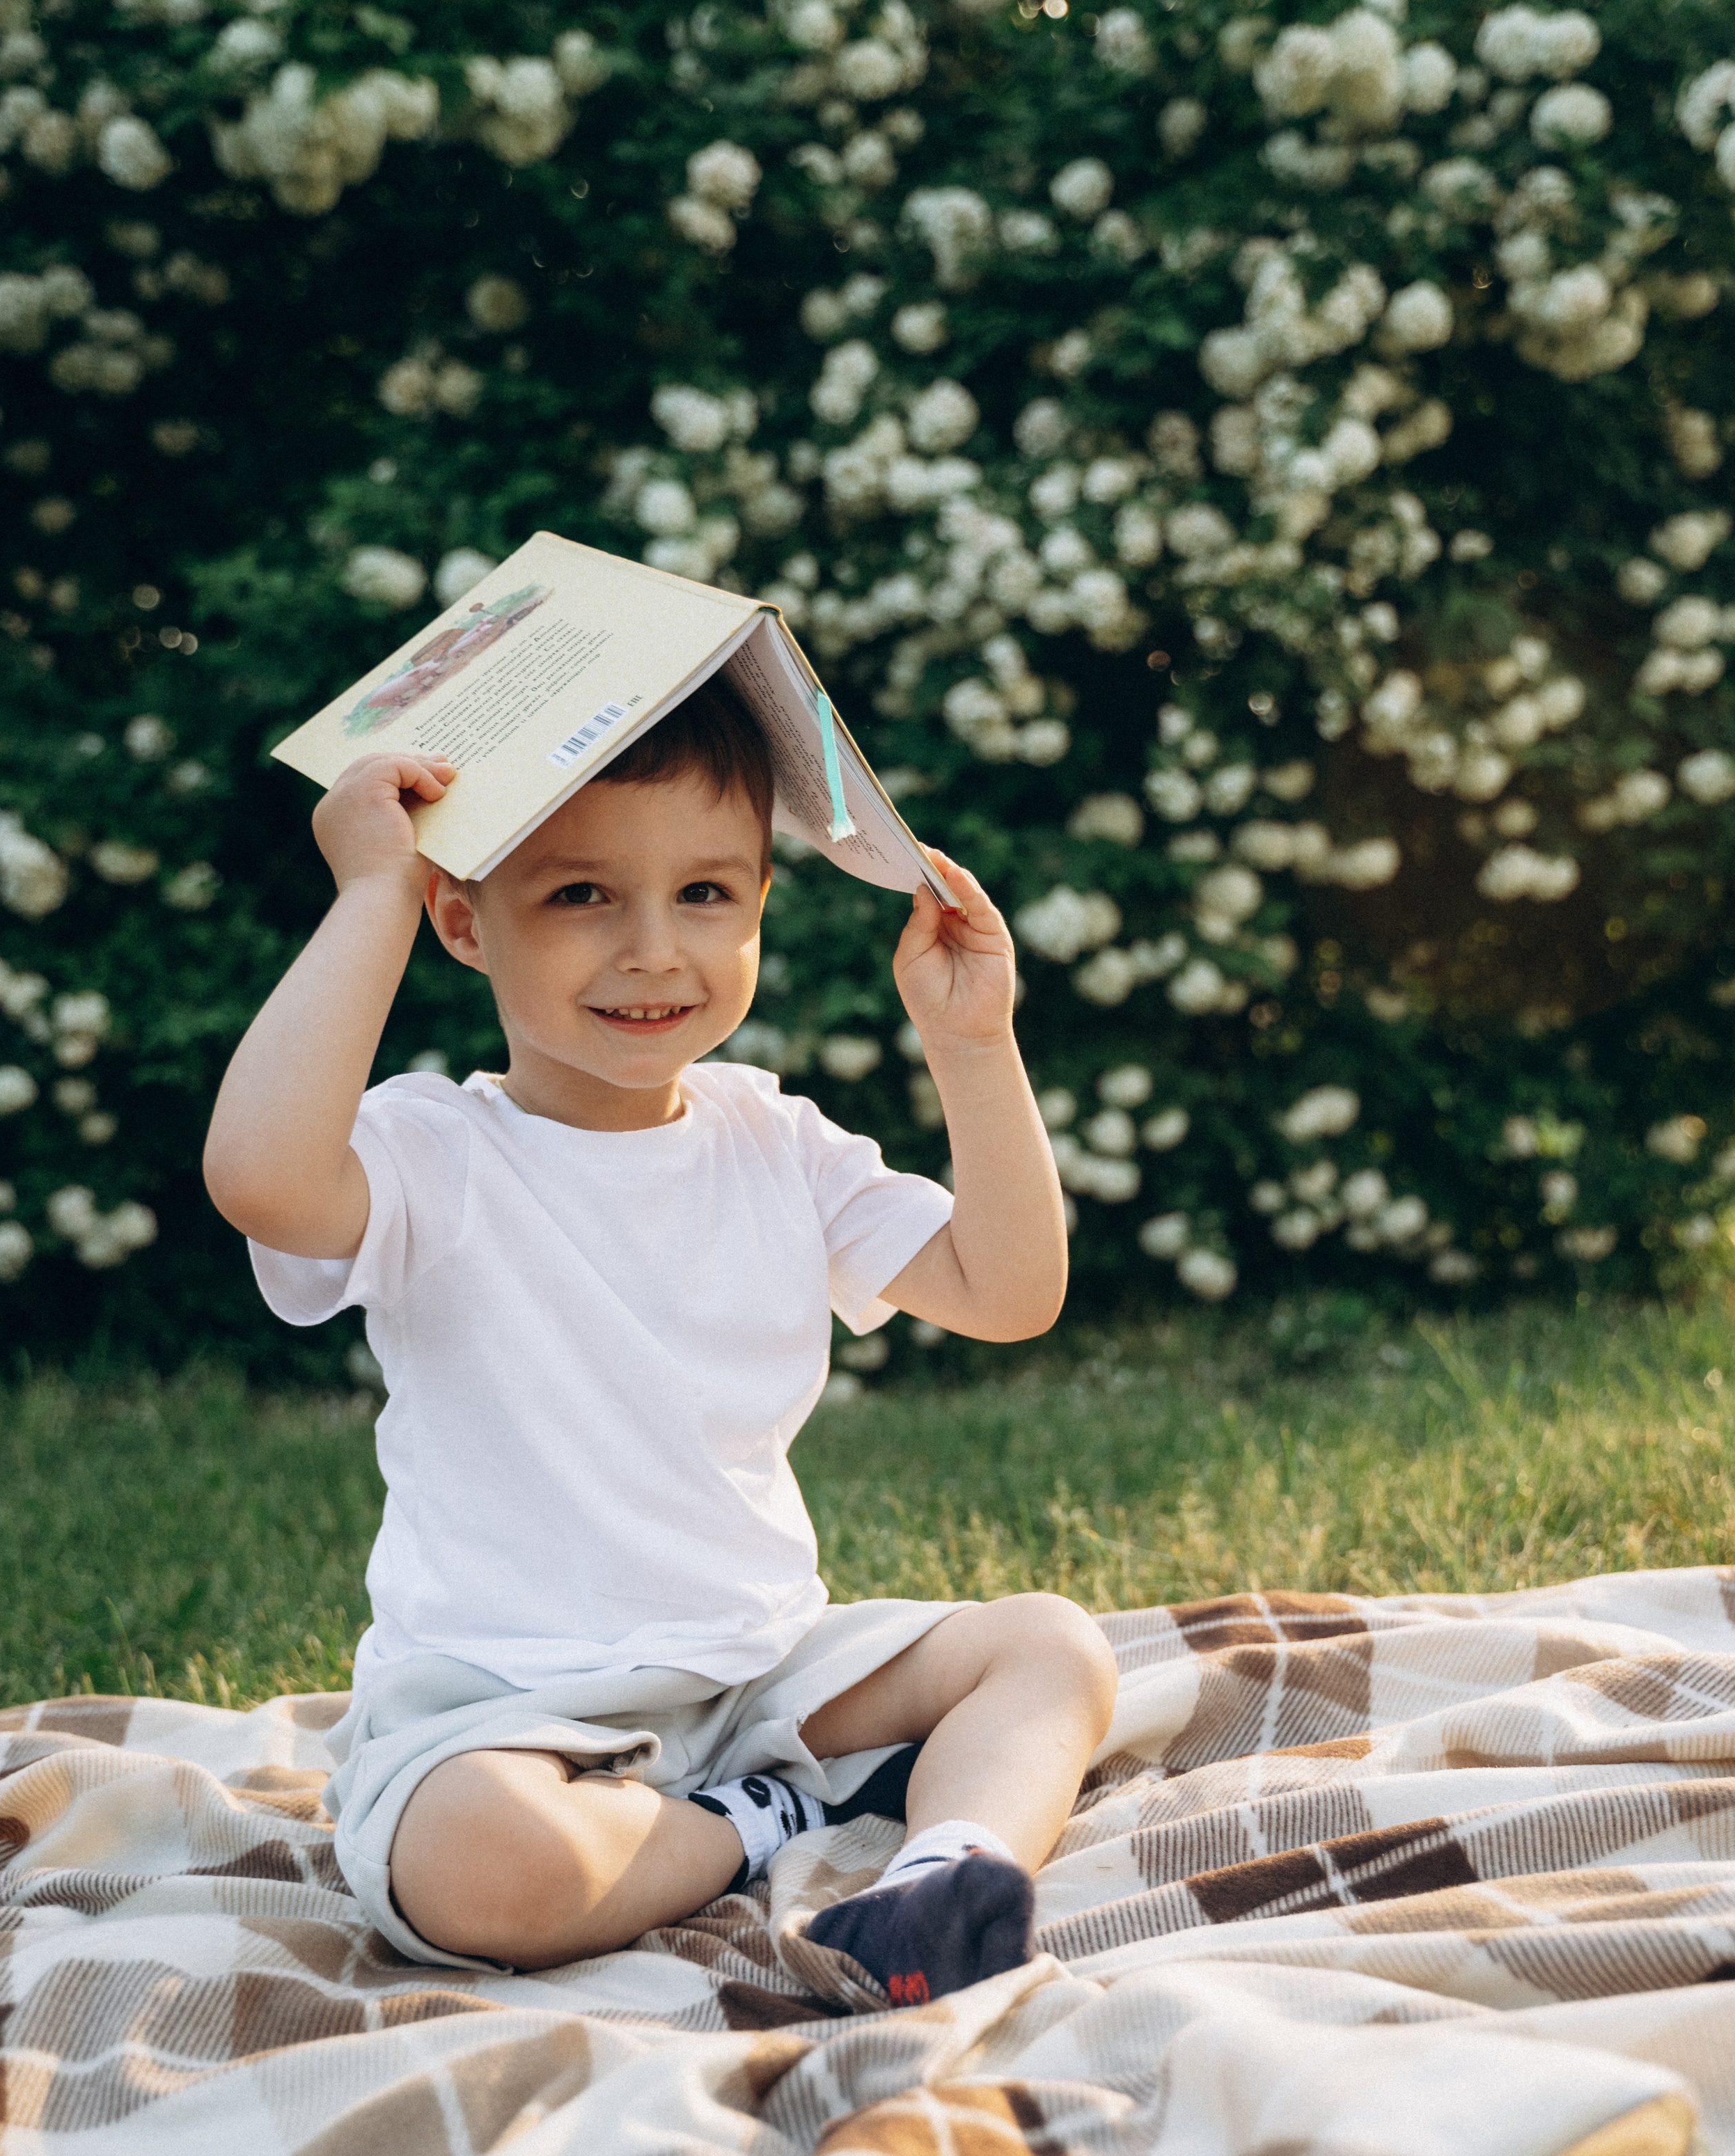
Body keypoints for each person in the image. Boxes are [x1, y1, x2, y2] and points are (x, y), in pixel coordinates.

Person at [204, 679, 1116, 2006]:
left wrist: (974, 1044)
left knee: (1051, 1647)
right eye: (582, 895)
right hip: (505, 1706)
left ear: (760, 905)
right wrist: (372, 894)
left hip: (761, 1670)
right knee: (480, 1869)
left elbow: (1009, 1290)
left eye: (705, 894)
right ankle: (764, 1823)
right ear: (462, 921)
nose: (653, 950)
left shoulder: (777, 1141)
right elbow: (260, 1179)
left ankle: (945, 1875)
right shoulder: (429, 1152)